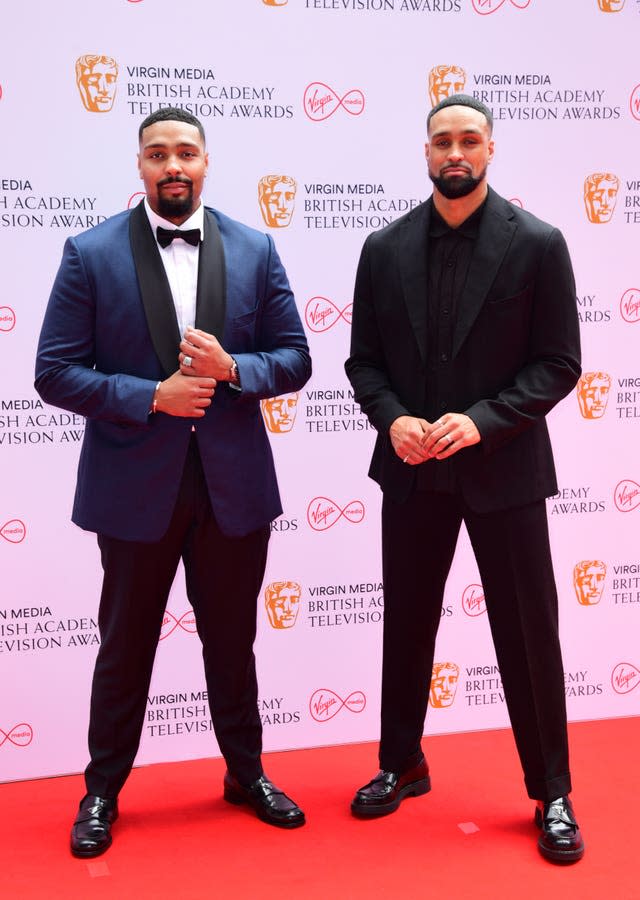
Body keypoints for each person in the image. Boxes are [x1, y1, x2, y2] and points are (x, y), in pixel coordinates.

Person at [35, 107, 312, 858]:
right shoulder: (89, 253)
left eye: (185, 152)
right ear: (140, 166)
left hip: (234, 492)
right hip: (134, 490)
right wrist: (149, 396)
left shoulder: (255, 248)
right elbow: (53, 372)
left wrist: (235, 371)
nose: (173, 166)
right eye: (157, 155)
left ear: (206, 160)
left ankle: (245, 774)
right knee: (124, 646)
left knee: (233, 642)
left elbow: (295, 359)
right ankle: (101, 791)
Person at [345, 94, 584, 863]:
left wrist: (483, 420)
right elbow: (365, 363)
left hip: (504, 470)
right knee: (407, 624)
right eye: (443, 140)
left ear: (490, 148)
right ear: (425, 151)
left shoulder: (539, 243)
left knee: (527, 633)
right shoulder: (382, 248)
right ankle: (401, 763)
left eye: (469, 140)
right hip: (412, 470)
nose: (456, 152)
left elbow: (559, 364)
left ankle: (552, 793)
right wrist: (393, 419)